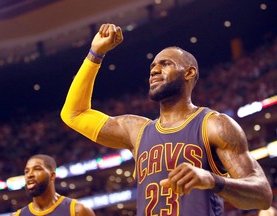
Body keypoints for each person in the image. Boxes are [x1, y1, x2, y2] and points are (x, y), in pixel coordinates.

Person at [60, 23, 273, 215]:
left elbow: (263, 195)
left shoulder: (214, 125)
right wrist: (95, 53)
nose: (154, 70)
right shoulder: (137, 131)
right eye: (152, 66)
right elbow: (73, 114)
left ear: (189, 73)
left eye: (165, 64)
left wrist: (212, 179)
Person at [11, 154, 95, 216]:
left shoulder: (78, 211)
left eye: (37, 169)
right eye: (26, 171)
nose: (29, 175)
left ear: (52, 175)